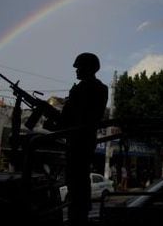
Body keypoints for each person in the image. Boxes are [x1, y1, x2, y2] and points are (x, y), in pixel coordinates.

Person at [56, 52, 108, 226]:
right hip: (86, 141)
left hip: (78, 142)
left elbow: (67, 119)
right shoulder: (102, 88)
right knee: (80, 181)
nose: (76, 71)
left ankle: (77, 218)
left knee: (76, 183)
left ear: (88, 68)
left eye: (79, 67)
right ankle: (80, 215)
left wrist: (71, 98)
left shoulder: (80, 90)